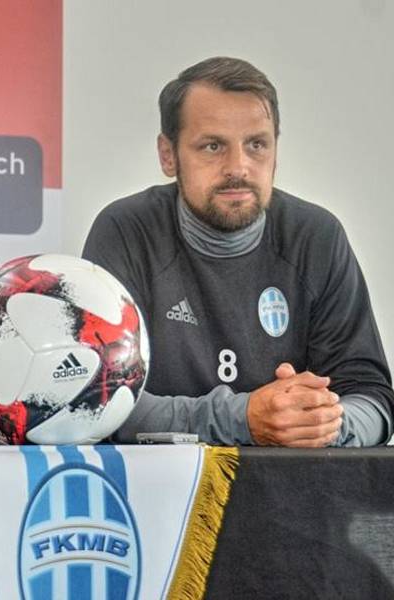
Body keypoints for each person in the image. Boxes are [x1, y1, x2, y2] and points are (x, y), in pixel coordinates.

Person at [83, 56, 393, 447]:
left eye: (257, 145)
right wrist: (243, 419)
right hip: (159, 499)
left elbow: (375, 401)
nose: (239, 167)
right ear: (168, 155)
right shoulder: (126, 230)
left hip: (296, 499)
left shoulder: (317, 236)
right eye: (213, 146)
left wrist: (324, 424)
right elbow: (97, 401)